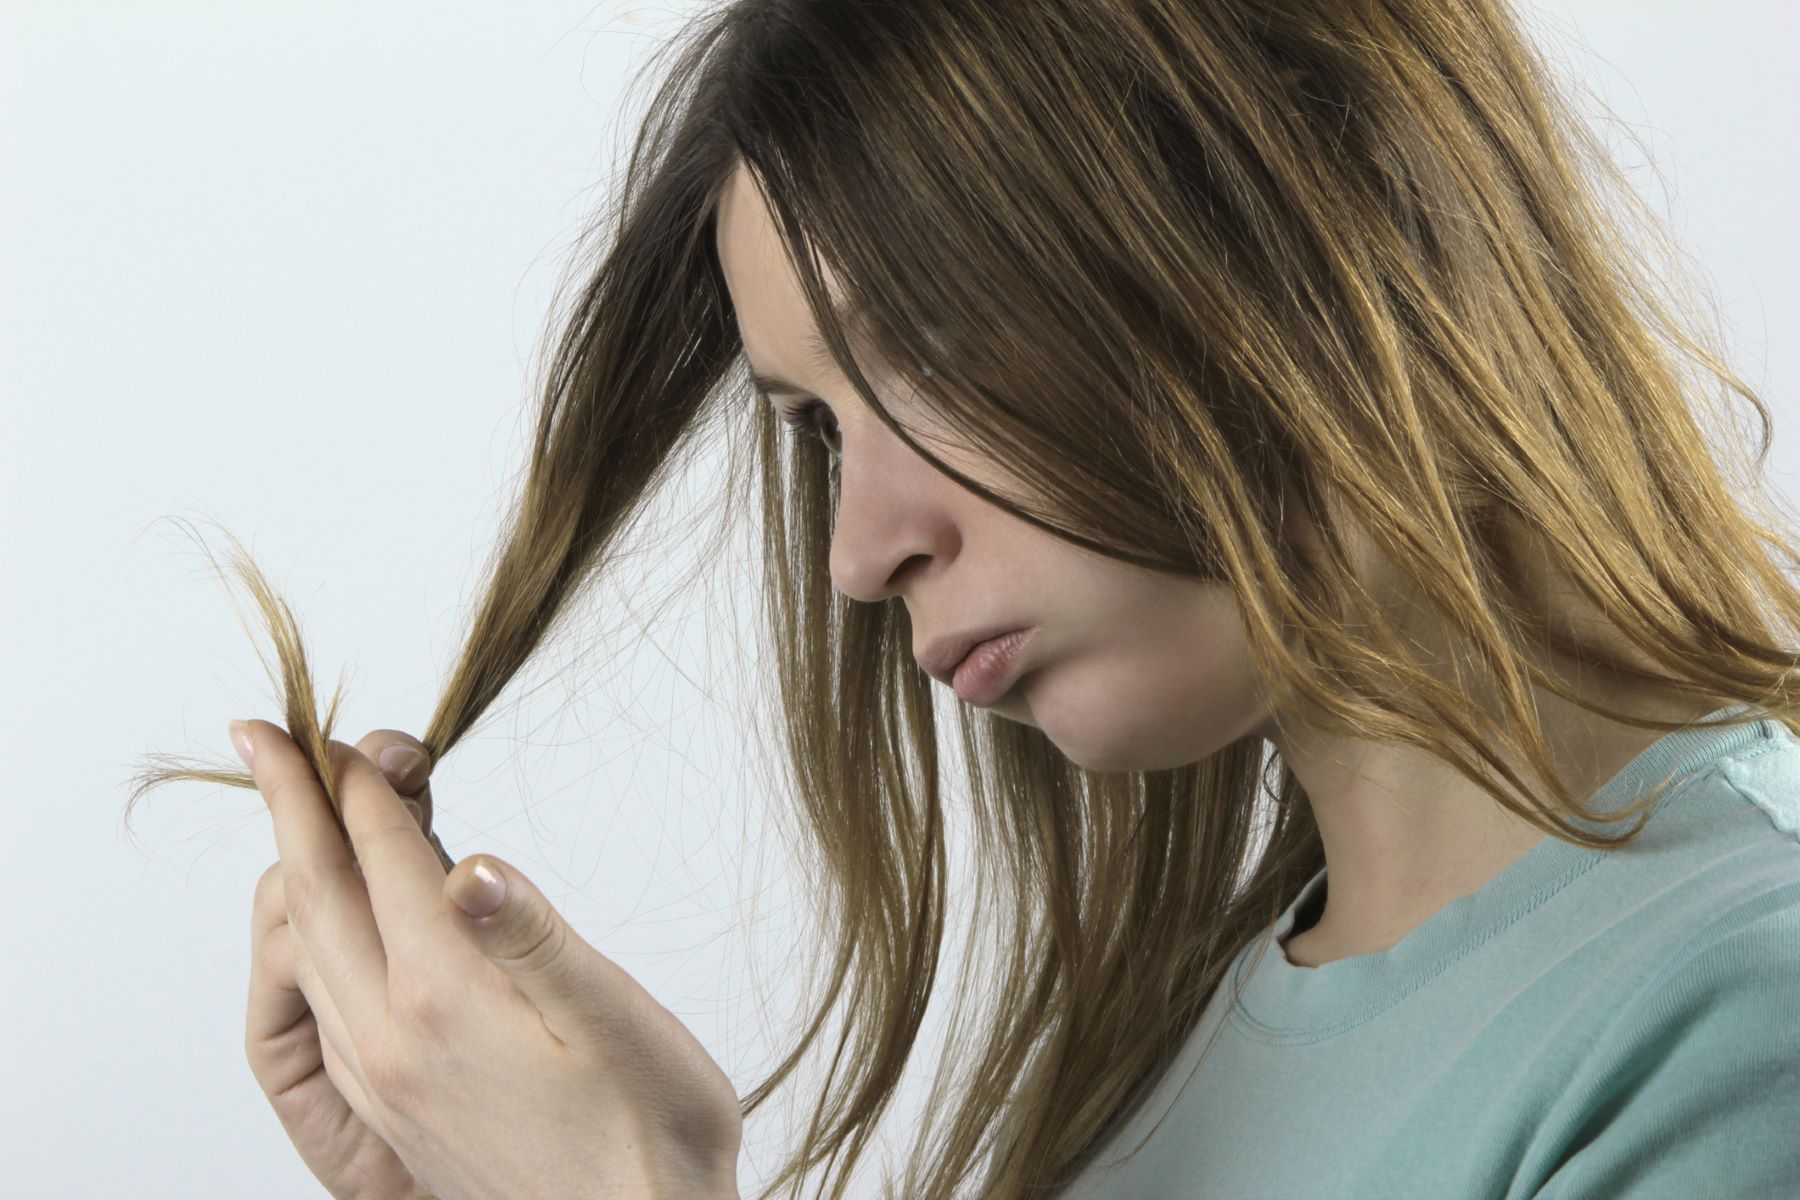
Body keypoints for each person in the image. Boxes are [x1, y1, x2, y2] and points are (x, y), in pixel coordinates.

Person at [133, 0, 1799, 1195]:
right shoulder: (1186, 1047)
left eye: (915, 346)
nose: (857, 552)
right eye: (814, 426)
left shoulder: (1737, 1017)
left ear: (1302, 214)